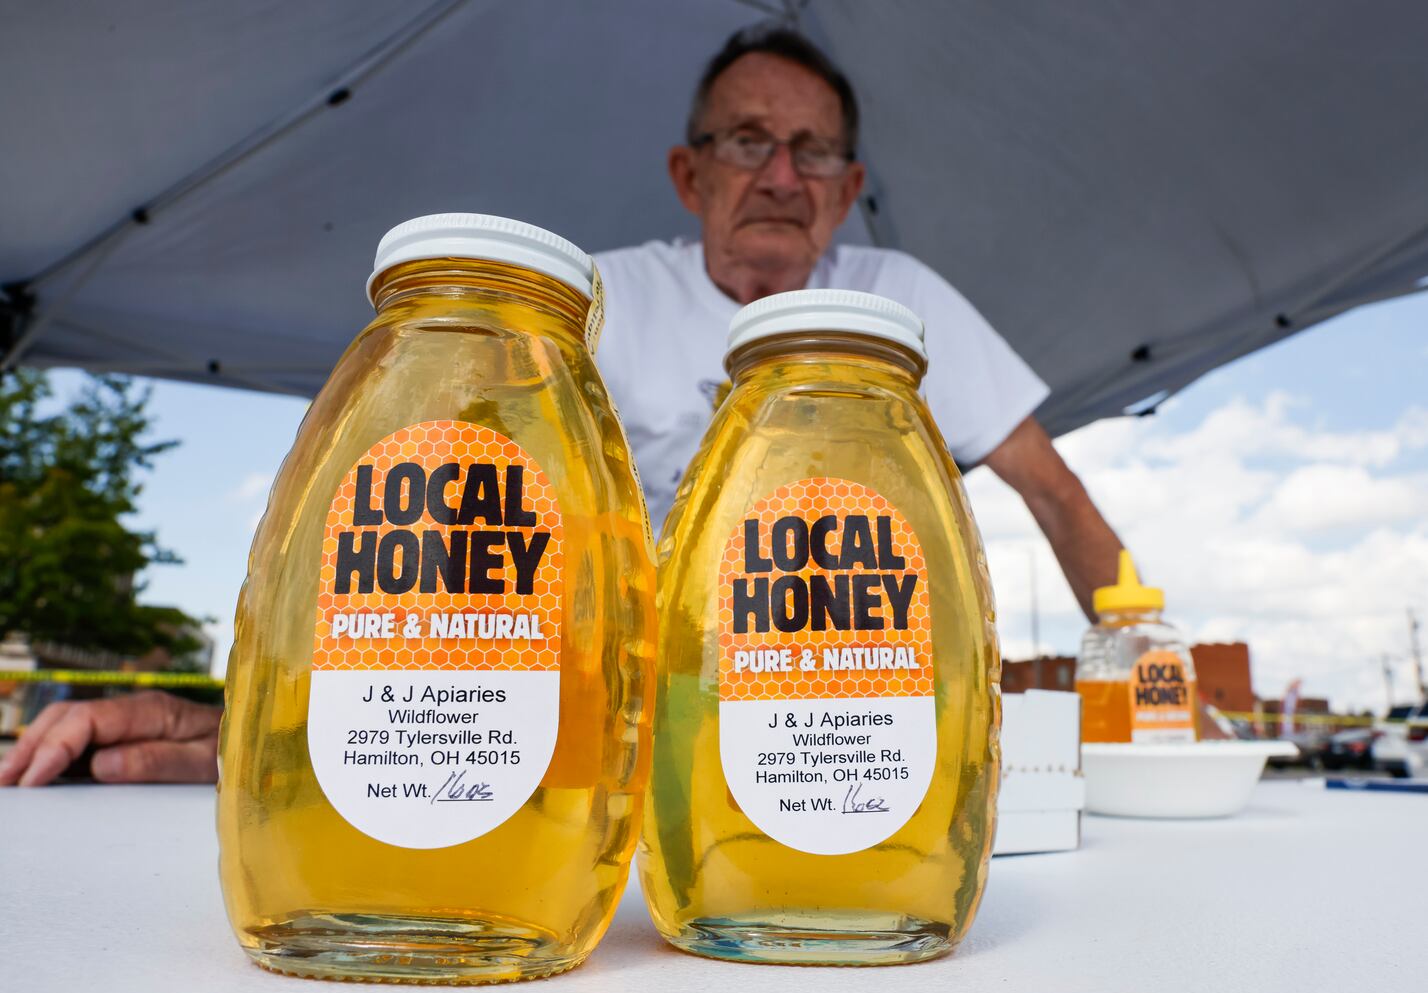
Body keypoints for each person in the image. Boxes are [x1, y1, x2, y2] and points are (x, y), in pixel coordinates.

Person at [0, 26, 1120, 788]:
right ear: (689, 175)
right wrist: (268, 729)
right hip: (612, 730)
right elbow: (442, 533)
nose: (782, 175)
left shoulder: (894, 311)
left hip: (846, 727)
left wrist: (1140, 685)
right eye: (748, 141)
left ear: (850, 187)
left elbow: (1058, 497)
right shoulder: (582, 303)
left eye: (814, 150)